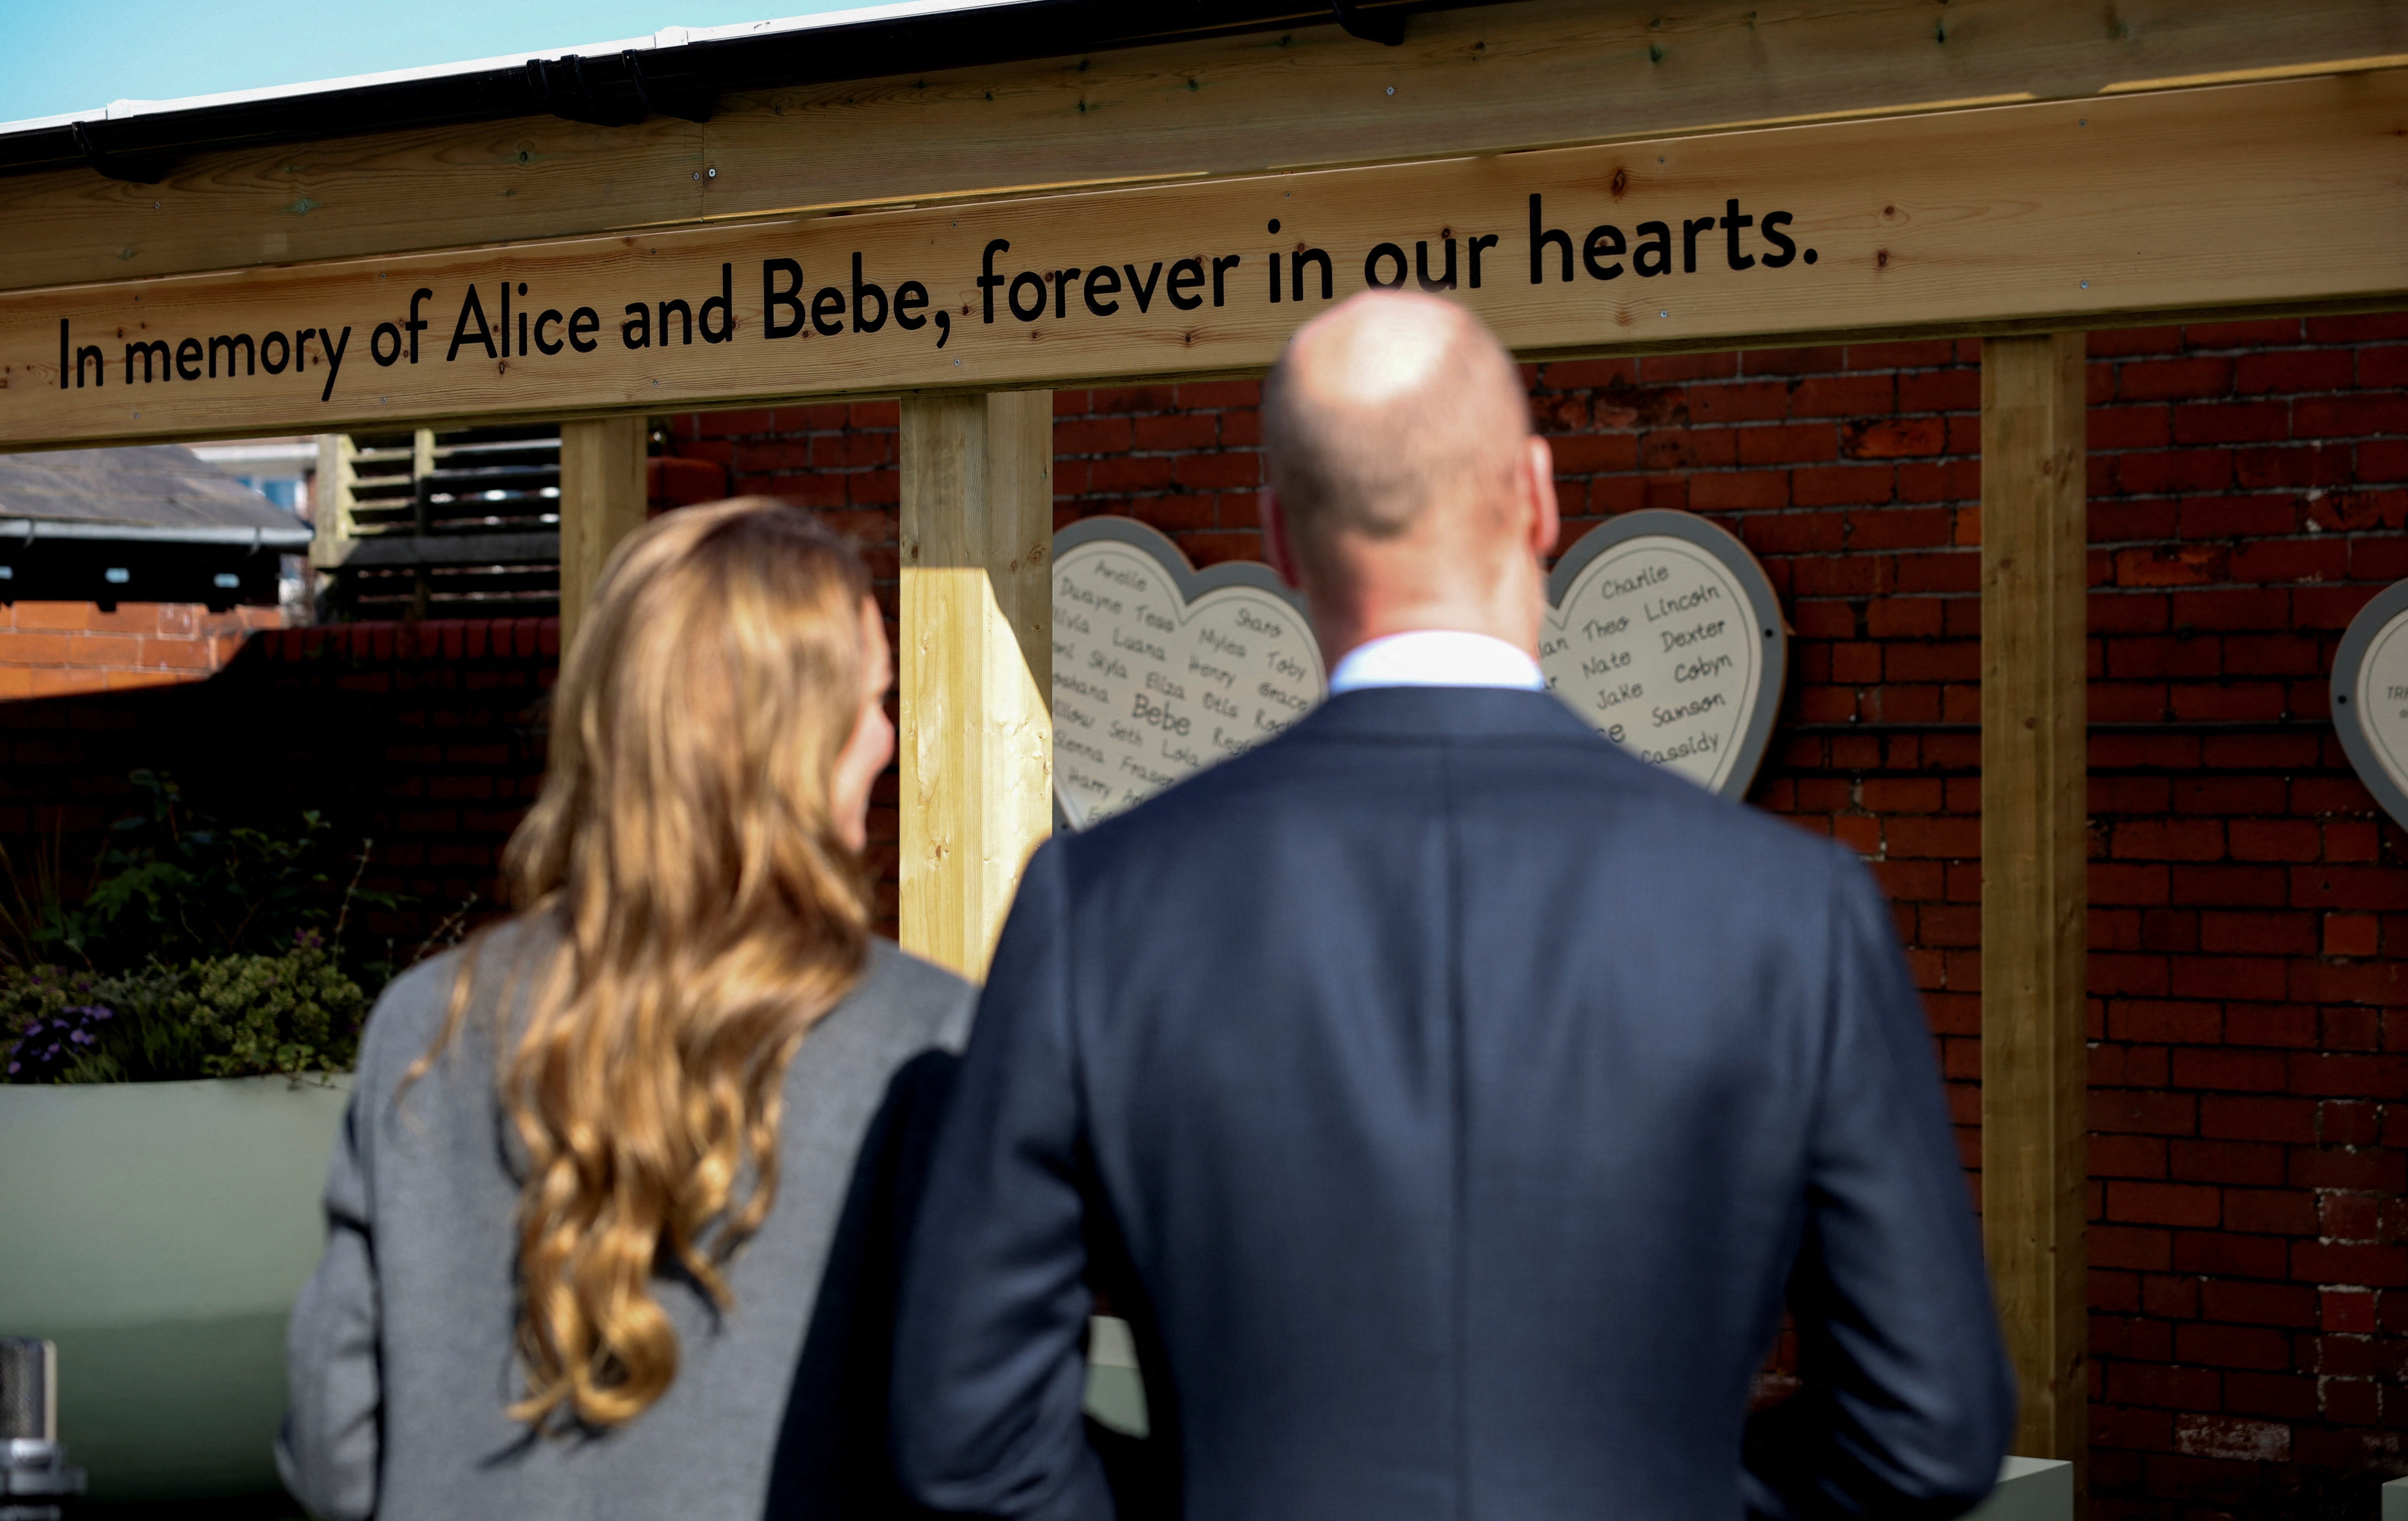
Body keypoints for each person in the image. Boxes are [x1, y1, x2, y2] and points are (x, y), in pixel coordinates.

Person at [892, 292, 2015, 1521]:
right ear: (1536, 494)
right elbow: (1927, 1429)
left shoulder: (1098, 904)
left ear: (1279, 537)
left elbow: (972, 1432)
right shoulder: (1792, 912)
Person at [280, 500, 975, 1521]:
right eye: (871, 700)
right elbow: (978, 1438)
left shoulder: (424, 1024)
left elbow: (334, 1451)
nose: (883, 734)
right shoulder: (929, 1038)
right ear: (791, 737)